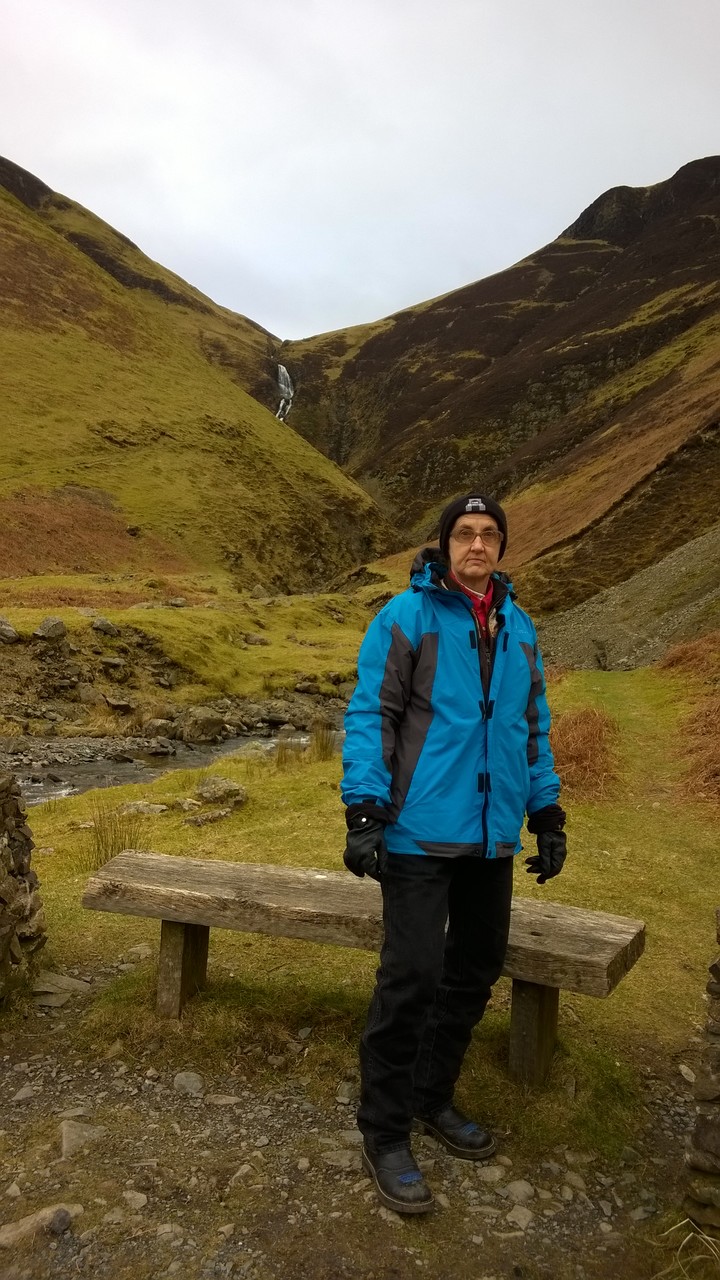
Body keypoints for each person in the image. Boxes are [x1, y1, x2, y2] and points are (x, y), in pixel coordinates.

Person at [340, 492, 567, 1215]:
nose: (477, 545)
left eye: (489, 534)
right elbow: (371, 712)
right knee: (411, 974)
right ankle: (383, 1130)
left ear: (501, 546)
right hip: (416, 833)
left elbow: (533, 728)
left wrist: (547, 811)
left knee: (473, 969)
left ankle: (430, 1099)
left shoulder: (520, 628)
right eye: (464, 534)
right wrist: (366, 809)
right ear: (443, 545)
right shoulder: (405, 617)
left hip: (493, 837)